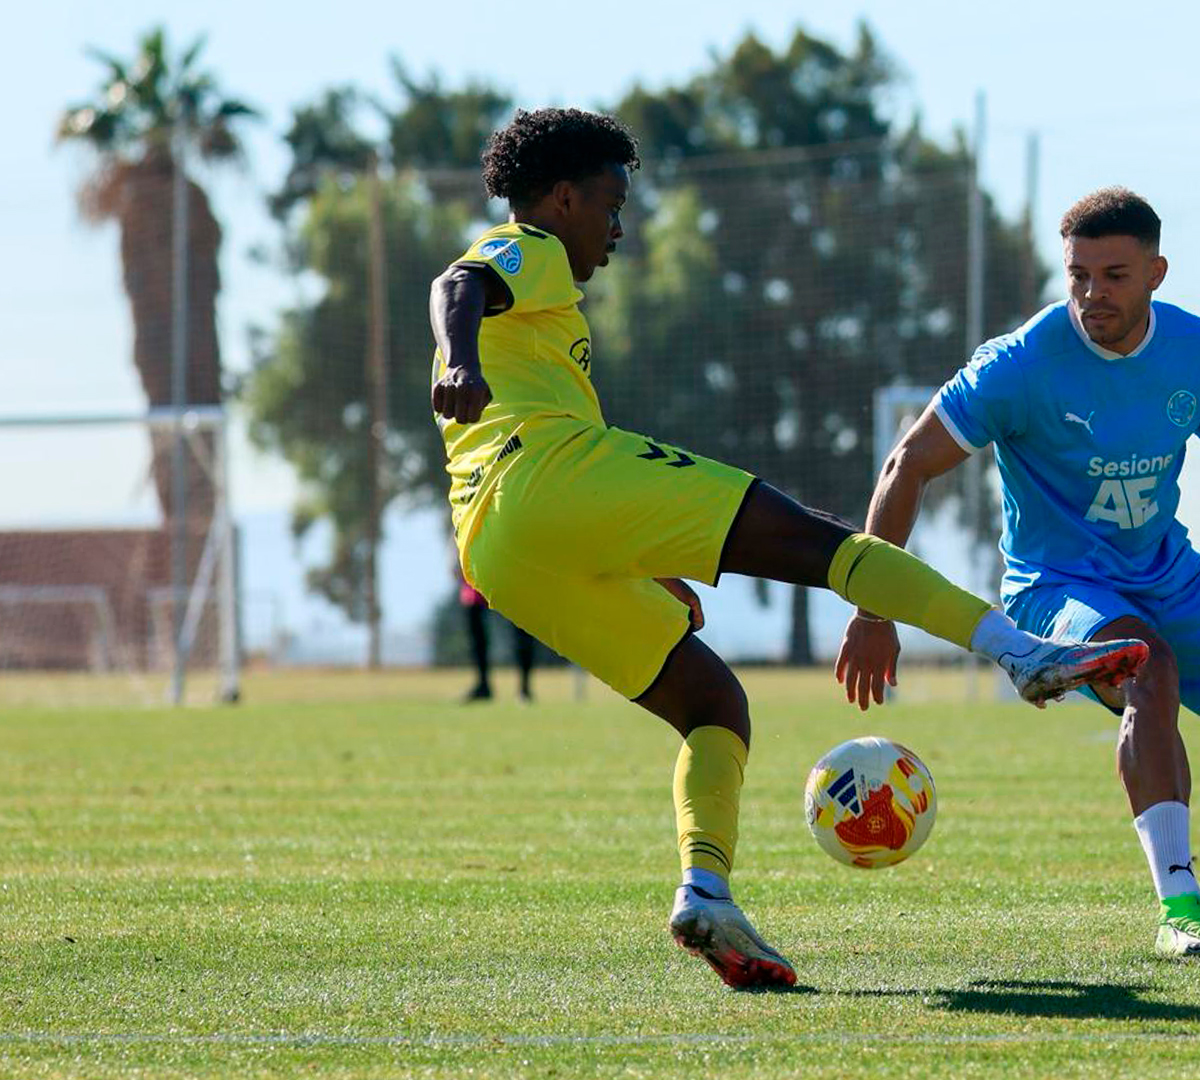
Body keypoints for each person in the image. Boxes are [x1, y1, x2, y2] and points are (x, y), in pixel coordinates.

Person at [426, 109, 1148, 989]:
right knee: (820, 542)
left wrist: (641, 561)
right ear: (565, 195)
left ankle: (707, 891)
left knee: (712, 702)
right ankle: (1020, 652)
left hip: (497, 548)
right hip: (543, 471)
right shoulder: (527, 245)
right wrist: (457, 360)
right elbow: (456, 285)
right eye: (612, 204)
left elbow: (539, 450)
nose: (618, 227)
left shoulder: (545, 306)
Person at [836, 187, 1200, 960]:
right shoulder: (1019, 364)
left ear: (1157, 272)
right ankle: (1182, 906)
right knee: (1147, 667)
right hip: (1057, 588)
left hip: (1172, 574)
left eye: (1115, 275)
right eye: (1078, 276)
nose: (1093, 294)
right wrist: (873, 611)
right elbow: (907, 466)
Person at [457, 564, 536, 704]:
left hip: (511, 570)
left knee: (522, 631)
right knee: (477, 637)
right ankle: (483, 684)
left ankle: (524, 688)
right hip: (477, 571)